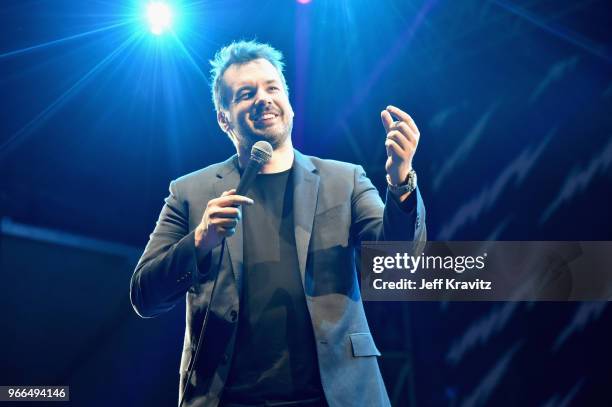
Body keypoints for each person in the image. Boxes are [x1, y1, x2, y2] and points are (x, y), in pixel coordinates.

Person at [130, 40, 426, 407]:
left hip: (336, 397)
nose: (263, 98)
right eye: (245, 93)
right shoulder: (190, 192)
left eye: (272, 88)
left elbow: (399, 264)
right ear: (224, 118)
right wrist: (200, 240)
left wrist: (400, 185)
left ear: (289, 102)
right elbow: (144, 295)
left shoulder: (344, 179)